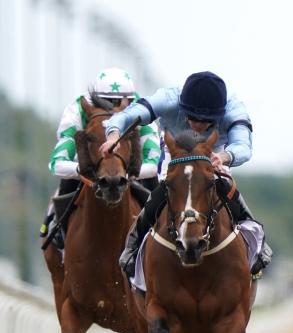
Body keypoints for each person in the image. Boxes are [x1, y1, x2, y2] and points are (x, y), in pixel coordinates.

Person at [100, 71, 272, 278]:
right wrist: (113, 136)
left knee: (223, 185)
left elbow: (243, 146)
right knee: (166, 188)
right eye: (192, 118)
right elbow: (125, 116)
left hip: (213, 154)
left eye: (206, 121)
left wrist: (224, 157)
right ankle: (133, 244)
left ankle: (258, 241)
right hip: (175, 152)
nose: (198, 125)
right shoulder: (168, 99)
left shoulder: (234, 110)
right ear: (183, 107)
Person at [40, 67, 161, 246]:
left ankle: (163, 232)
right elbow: (56, 164)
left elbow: (153, 163)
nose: (114, 108)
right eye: (107, 101)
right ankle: (56, 228)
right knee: (66, 184)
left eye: (120, 101)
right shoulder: (77, 110)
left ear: (130, 99)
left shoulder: (141, 111)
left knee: (158, 192)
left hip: (130, 168)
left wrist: (125, 175)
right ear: (95, 99)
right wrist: (81, 170)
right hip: (89, 167)